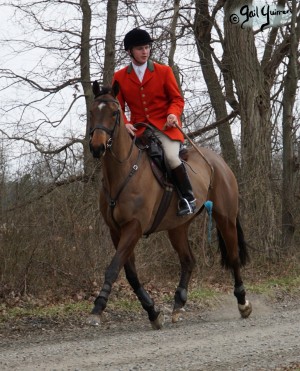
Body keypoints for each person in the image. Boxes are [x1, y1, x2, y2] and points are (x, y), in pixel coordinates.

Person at [112, 28, 196, 216]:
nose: (145, 51)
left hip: (165, 128)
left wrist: (173, 114)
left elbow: (177, 99)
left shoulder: (163, 71)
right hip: (139, 130)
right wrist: (125, 122)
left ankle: (188, 198)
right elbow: (117, 105)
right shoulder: (119, 77)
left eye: (147, 47)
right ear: (129, 51)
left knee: (172, 158)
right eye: (140, 48)